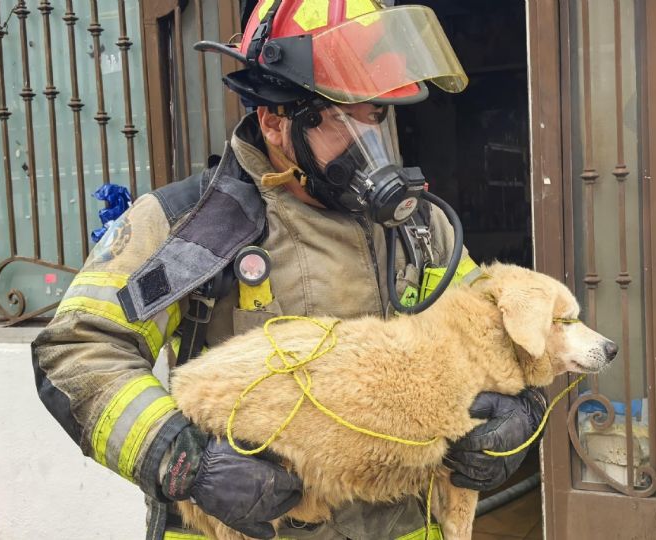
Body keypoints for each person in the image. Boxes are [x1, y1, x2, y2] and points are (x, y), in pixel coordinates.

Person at [31, 1, 546, 538]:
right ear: (275, 123)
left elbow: (504, 333)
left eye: (375, 118)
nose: (371, 147)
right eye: (345, 121)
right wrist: (183, 462)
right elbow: (77, 351)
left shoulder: (421, 230)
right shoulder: (189, 226)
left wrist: (521, 415)